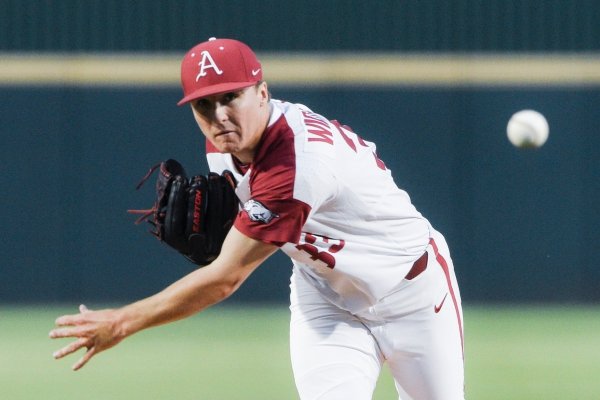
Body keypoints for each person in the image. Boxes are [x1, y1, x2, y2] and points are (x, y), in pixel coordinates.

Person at [50, 37, 464, 400]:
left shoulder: (299, 164)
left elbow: (226, 278)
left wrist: (123, 321)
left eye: (231, 97)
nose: (219, 116)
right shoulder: (223, 146)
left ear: (262, 93)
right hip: (328, 300)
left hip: (415, 293)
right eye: (204, 104)